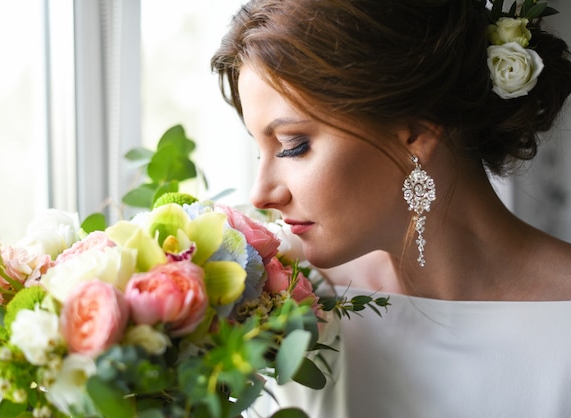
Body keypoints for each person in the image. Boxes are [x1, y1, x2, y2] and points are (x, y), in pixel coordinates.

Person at [211, 0, 571, 417]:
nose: (261, 194)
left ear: (416, 131)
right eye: (260, 152)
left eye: (294, 146)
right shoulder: (285, 303)